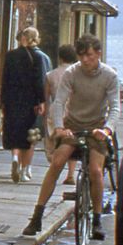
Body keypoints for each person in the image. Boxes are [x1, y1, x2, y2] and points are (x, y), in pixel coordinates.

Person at [22, 34, 119, 240]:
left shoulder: (109, 76)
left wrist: (107, 129)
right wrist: (59, 127)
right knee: (57, 161)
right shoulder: (72, 73)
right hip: (73, 125)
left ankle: (97, 220)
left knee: (95, 170)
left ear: (98, 54)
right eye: (81, 55)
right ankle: (37, 216)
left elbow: (115, 107)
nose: (85, 60)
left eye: (90, 55)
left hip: (97, 127)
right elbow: (59, 102)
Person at [1, 27, 47, 182]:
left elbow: (4, 80)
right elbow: (39, 81)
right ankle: (25, 170)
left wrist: (3, 101)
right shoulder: (38, 57)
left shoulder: (10, 56)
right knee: (30, 135)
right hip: (29, 101)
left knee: (14, 132)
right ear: (35, 38)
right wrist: (41, 101)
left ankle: (15, 158)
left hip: (12, 99)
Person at [43, 44, 78, 184]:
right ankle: (70, 174)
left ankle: (54, 169)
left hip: (55, 109)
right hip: (72, 109)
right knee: (72, 140)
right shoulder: (76, 74)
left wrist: (44, 112)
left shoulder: (50, 75)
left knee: (52, 141)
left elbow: (46, 97)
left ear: (60, 57)